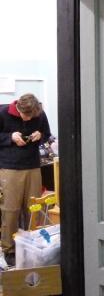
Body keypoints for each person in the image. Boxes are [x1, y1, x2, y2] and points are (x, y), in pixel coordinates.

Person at [0, 93, 51, 264]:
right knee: (11, 210)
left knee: (33, 208)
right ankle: (9, 249)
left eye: (32, 116)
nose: (29, 119)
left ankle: (31, 245)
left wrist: (40, 135)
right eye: (25, 115)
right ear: (18, 108)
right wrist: (9, 137)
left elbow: (47, 134)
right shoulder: (3, 113)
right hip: (10, 167)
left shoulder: (39, 114)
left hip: (33, 166)